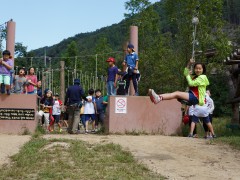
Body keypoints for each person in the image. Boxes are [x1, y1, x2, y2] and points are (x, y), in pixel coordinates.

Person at [148, 59, 216, 138]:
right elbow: (185, 73)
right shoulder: (194, 76)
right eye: (196, 68)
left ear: (203, 70)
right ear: (194, 69)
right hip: (194, 97)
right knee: (176, 94)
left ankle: (160, 98)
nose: (198, 70)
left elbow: (191, 83)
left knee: (177, 93)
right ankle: (159, 98)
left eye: (200, 68)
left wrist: (188, 76)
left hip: (196, 98)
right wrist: (189, 63)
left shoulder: (203, 77)